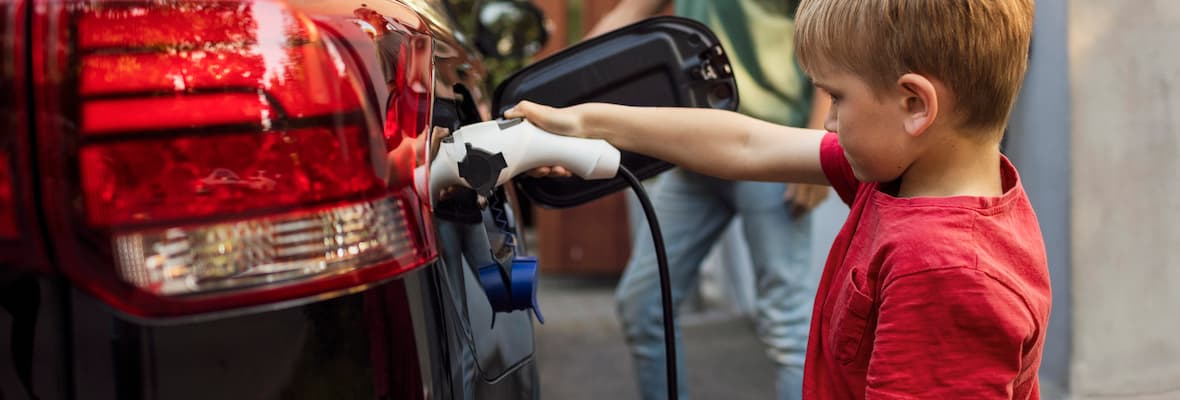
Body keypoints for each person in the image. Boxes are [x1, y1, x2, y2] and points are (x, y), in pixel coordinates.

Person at [508, 0, 1051, 398]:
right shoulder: (905, 176)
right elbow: (745, 141)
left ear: (914, 104)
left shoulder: (945, 272)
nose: (830, 121)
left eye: (837, 97)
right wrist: (588, 122)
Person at [566, 1, 830, 399]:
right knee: (642, 306)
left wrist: (819, 145)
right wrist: (557, 89)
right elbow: (625, 17)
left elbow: (827, 35)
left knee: (787, 328)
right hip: (699, 151)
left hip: (773, 149)